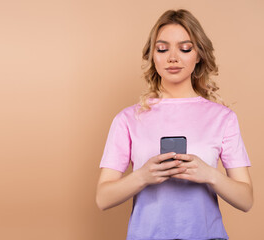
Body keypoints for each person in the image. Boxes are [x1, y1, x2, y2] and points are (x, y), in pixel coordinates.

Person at [96, 8, 253, 240]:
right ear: (152, 55)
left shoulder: (223, 118)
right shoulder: (128, 119)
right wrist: (143, 176)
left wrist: (209, 174)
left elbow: (246, 199)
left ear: (198, 54)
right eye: (162, 48)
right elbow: (103, 198)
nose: (172, 57)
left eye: (185, 48)